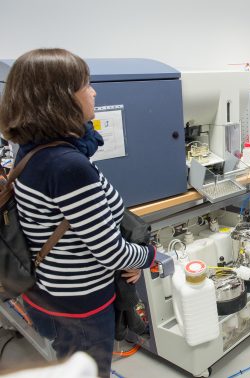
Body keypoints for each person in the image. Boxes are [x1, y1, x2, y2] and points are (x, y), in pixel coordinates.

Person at [0, 48, 156, 378]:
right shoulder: (68, 165)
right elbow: (110, 252)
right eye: (85, 85)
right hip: (80, 306)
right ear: (60, 98)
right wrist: (149, 255)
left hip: (49, 292)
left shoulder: (33, 150)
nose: (94, 91)